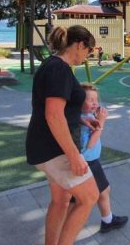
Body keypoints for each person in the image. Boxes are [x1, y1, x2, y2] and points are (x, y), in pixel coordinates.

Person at [25, 25, 100, 245]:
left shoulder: (52, 65)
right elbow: (54, 115)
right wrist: (74, 155)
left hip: (43, 145)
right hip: (54, 148)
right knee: (89, 197)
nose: (87, 56)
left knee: (61, 200)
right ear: (79, 45)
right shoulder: (60, 69)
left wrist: (81, 119)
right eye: (89, 50)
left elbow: (60, 110)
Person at [76, 84, 128, 234]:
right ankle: (106, 221)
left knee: (102, 191)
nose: (95, 103)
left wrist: (98, 118)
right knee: (99, 192)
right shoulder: (83, 124)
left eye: (96, 100)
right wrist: (102, 123)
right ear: (79, 102)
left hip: (90, 162)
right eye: (90, 100)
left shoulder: (84, 117)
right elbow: (90, 145)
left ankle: (108, 220)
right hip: (88, 163)